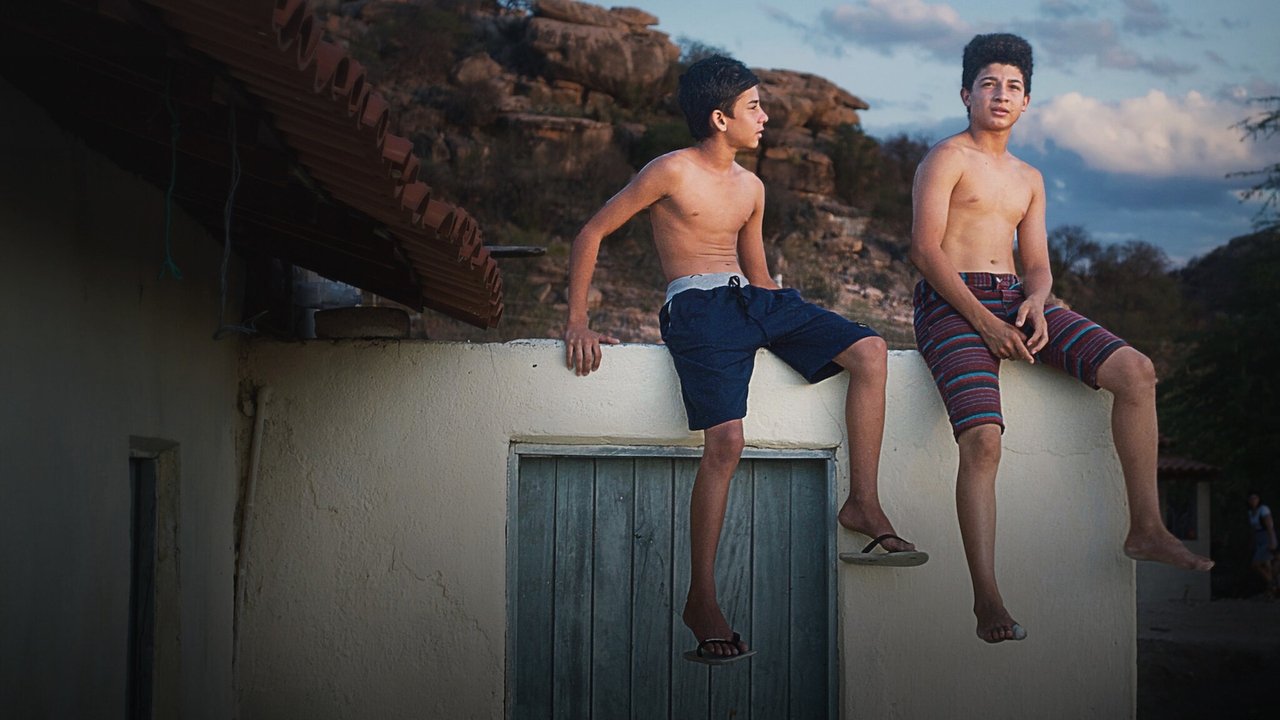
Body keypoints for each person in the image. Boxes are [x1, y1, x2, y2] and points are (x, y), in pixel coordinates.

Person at [563, 55, 925, 664]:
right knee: (726, 441)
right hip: (697, 307)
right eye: (754, 107)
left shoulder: (752, 187)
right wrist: (578, 320)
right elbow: (591, 233)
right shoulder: (670, 170)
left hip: (753, 300)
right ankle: (701, 598)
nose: (765, 117)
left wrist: (788, 316)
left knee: (869, 350)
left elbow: (758, 274)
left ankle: (863, 500)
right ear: (719, 117)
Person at [908, 33, 1213, 644]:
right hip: (951, 301)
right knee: (984, 442)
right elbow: (924, 250)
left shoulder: (1029, 177)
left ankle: (1146, 527)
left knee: (1136, 372)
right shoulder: (946, 158)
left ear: (1026, 102)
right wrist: (984, 322)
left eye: (1013, 87)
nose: (1001, 95)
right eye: (989, 84)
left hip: (1016, 298)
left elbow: (1039, 264)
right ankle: (987, 597)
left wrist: (1037, 300)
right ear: (966, 94)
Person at [1247, 491, 1277, 596]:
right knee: (1267, 564)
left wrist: (1272, 541)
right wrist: (1252, 542)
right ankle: (1272, 588)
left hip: (1266, 537)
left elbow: (1269, 526)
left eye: (1255, 498)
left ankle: (1272, 582)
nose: (1253, 501)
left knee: (1256, 563)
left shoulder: (1263, 509)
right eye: (1251, 499)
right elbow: (1253, 528)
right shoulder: (1251, 512)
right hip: (1258, 537)